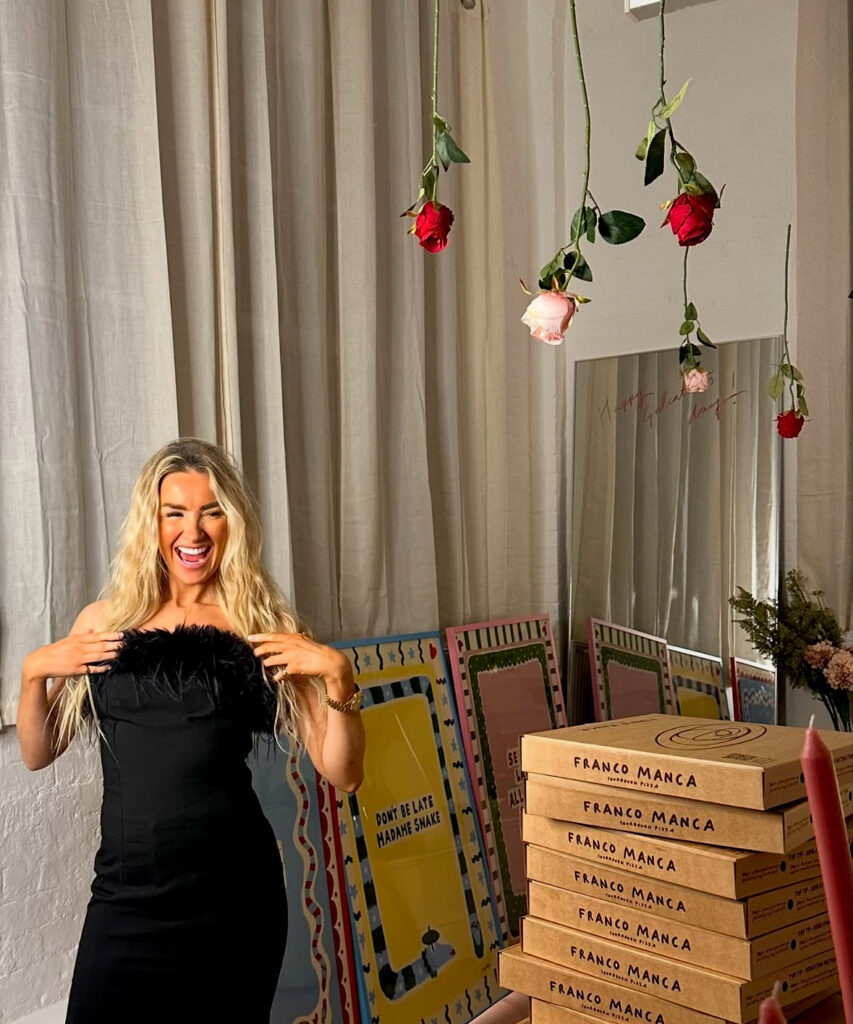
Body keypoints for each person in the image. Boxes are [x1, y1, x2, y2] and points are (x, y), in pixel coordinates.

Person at [17, 437, 365, 1023]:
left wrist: (338, 676)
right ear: (150, 523)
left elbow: (345, 773)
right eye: (173, 513)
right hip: (126, 898)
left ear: (232, 521)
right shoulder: (104, 622)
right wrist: (33, 674)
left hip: (233, 900)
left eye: (210, 512)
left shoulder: (260, 627)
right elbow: (37, 752)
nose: (192, 533)